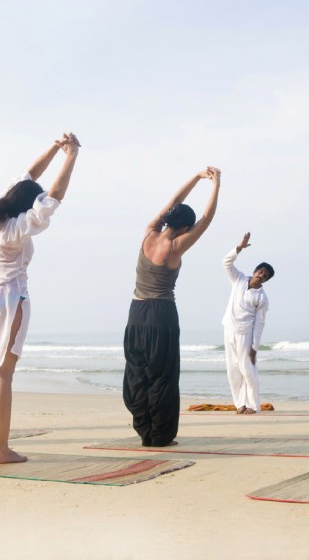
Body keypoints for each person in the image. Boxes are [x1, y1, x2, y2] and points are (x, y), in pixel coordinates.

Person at [0, 133, 81, 463]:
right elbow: (53, 196)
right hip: (9, 302)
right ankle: (1, 449)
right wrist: (71, 157)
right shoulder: (16, 227)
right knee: (1, 374)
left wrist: (56, 148)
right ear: (28, 203)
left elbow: (29, 175)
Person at [123, 167, 221, 447]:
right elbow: (208, 218)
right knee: (162, 374)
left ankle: (145, 430)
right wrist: (217, 184)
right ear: (185, 228)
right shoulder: (176, 246)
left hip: (136, 312)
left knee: (138, 372)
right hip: (161, 314)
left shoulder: (148, 233)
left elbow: (172, 202)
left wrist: (196, 178)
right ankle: (161, 435)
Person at [221, 232, 273, 414]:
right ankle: (240, 404)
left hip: (245, 334)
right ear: (255, 271)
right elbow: (226, 263)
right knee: (232, 369)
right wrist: (239, 248)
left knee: (247, 369)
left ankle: (253, 405)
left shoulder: (262, 297)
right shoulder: (239, 279)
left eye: (264, 276)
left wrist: (254, 347)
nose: (261, 276)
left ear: (266, 280)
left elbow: (260, 324)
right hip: (229, 329)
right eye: (260, 272)